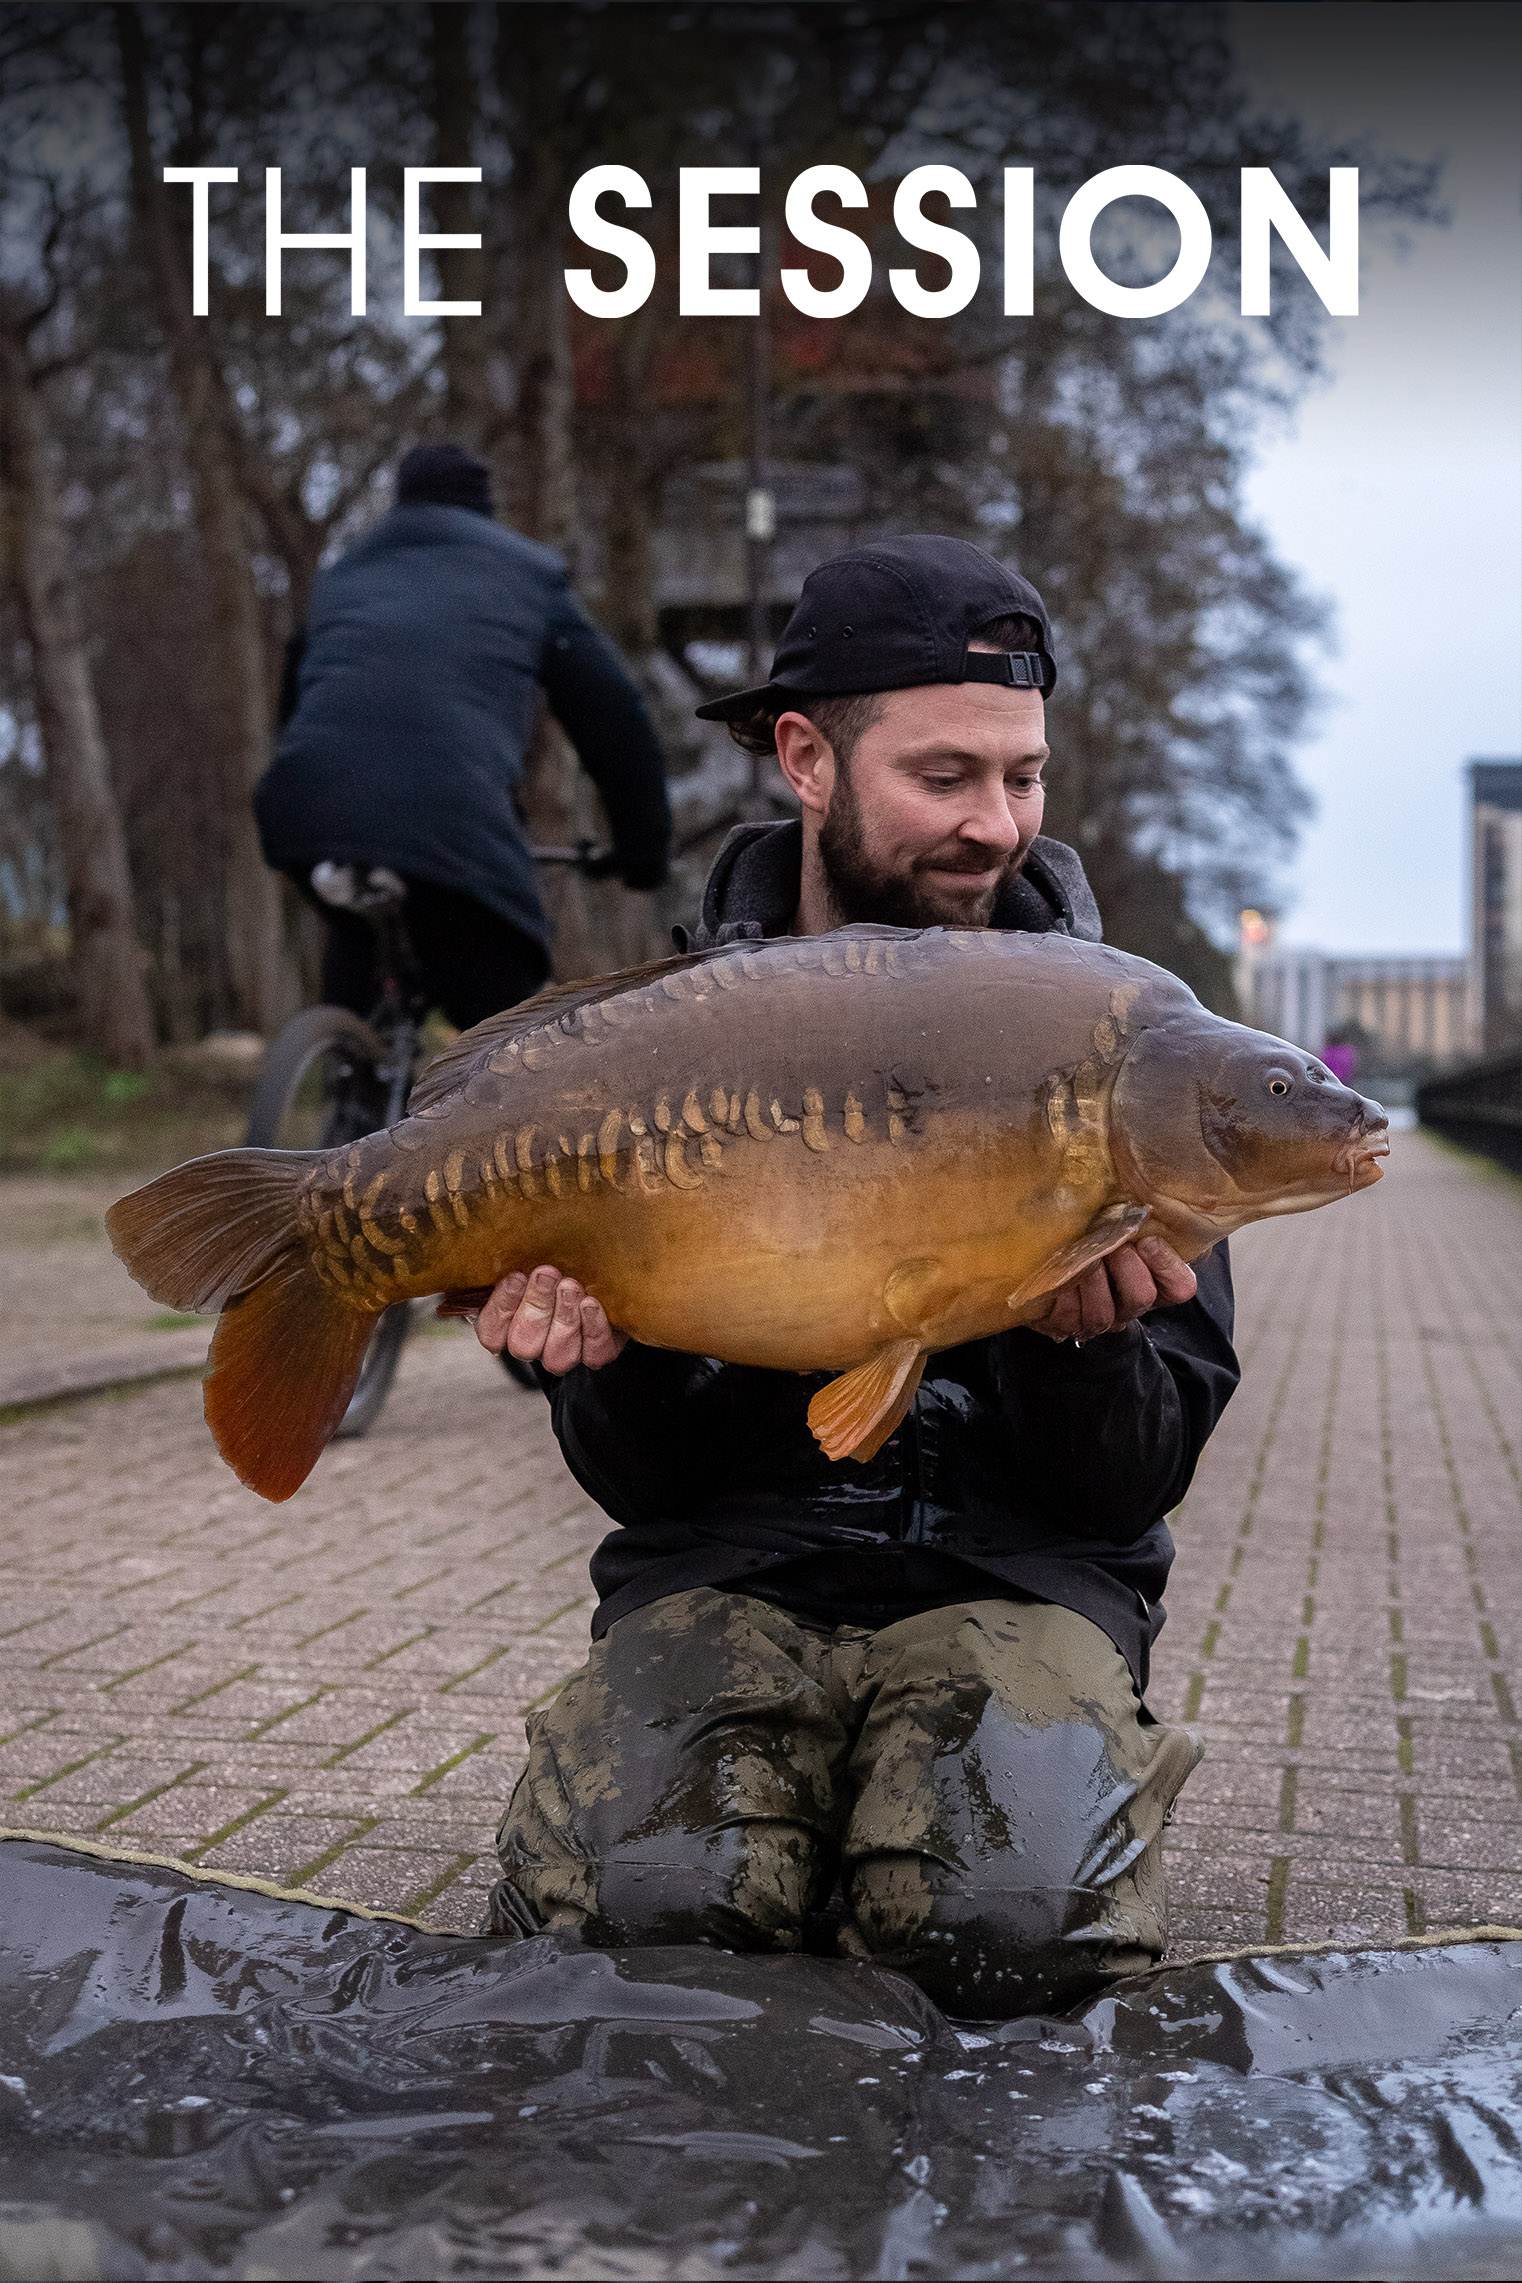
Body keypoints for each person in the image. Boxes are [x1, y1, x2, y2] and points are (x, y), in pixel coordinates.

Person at [470, 536, 1239, 2018]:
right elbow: (646, 1484)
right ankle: (767, 1811)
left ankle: (987, 1798)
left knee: (1006, 1927)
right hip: (729, 1564)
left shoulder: (1134, 1054)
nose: (993, 825)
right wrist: (601, 1353)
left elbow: (1123, 1491)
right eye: (943, 776)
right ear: (806, 758)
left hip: (1014, 1583)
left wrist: (1073, 1342)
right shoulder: (669, 1037)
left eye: (1021, 776)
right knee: (652, 1915)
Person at [255, 443, 672, 1033]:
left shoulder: (339, 580)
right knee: (507, 1038)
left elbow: (295, 715)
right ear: (484, 507)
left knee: (360, 931)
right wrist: (643, 850)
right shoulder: (528, 577)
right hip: (453, 817)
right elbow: (615, 725)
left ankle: (349, 1076)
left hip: (307, 809)